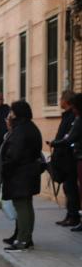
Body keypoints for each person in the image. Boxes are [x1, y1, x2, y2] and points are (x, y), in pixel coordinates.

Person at [0, 100, 43, 251]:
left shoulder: (21, 130)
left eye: (12, 112)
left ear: (17, 113)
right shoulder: (30, 127)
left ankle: (23, 240)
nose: (10, 115)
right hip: (28, 173)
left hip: (20, 174)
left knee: (22, 207)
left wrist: (6, 166)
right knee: (26, 206)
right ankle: (26, 238)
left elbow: (14, 154)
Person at [51, 93, 82, 232]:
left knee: (71, 188)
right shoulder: (70, 116)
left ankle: (74, 216)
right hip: (67, 157)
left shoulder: (75, 118)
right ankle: (70, 215)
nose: (59, 101)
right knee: (68, 188)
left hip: (70, 158)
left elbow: (70, 137)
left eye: (61, 99)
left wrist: (55, 144)